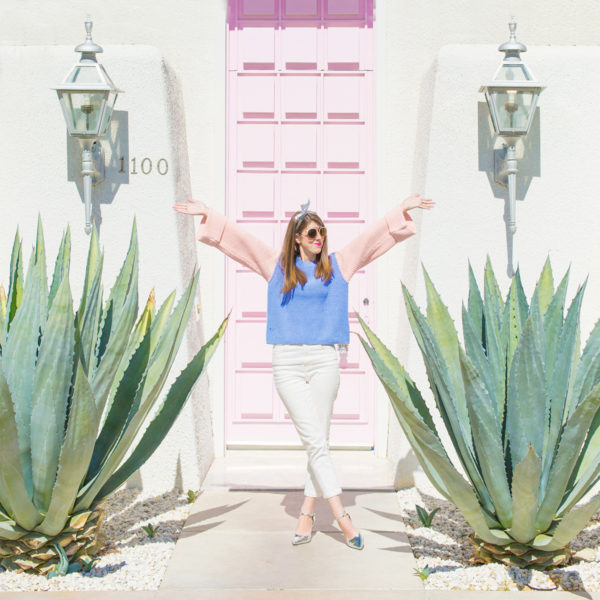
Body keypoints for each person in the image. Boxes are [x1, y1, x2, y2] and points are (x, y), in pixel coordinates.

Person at [173, 193, 434, 550]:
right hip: (288, 361)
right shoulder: (277, 265)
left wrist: (400, 210)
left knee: (318, 440)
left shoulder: (339, 265)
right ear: (296, 237)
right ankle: (342, 515)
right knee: (313, 438)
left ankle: (307, 513)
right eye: (311, 233)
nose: (318, 239)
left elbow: (373, 238)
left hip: (325, 358)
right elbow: (240, 242)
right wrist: (209, 215)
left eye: (321, 233)